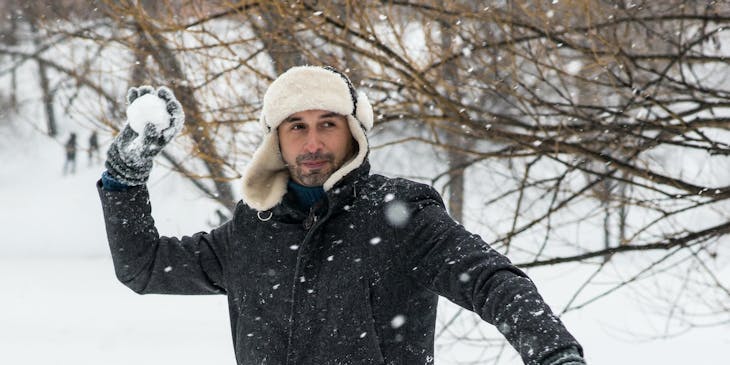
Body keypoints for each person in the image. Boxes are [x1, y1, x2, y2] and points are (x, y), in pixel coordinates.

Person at [97, 67, 586, 365]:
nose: (313, 144)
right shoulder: (252, 230)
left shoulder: (400, 215)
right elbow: (143, 266)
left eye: (327, 124)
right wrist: (125, 178)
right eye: (297, 127)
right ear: (277, 141)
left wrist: (552, 352)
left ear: (352, 132)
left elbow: (490, 280)